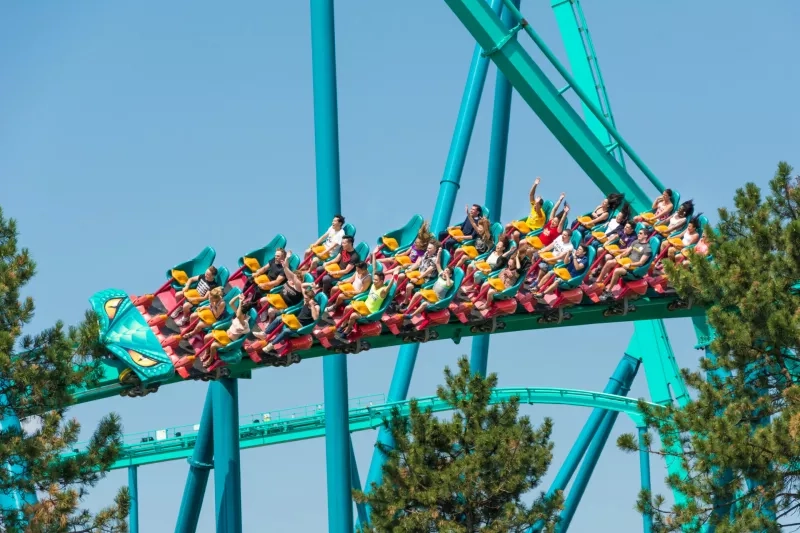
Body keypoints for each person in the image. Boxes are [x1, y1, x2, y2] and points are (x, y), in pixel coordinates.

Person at [255, 285, 320, 355]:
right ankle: (264, 334)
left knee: (286, 331)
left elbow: (315, 318)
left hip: (302, 326)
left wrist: (312, 305)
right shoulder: (306, 300)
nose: (305, 299)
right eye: (305, 298)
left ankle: (271, 345)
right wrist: (311, 284)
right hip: (295, 320)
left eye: (307, 299)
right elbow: (302, 286)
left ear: (311, 299)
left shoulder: (316, 307)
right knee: (279, 318)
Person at [338, 253, 391, 337]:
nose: (374, 281)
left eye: (376, 280)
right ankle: (343, 324)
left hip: (370, 312)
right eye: (374, 279)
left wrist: (395, 275)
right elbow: (374, 268)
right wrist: (373, 256)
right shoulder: (374, 285)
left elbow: (389, 287)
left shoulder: (383, 291)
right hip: (364, 305)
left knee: (353, 315)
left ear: (381, 281)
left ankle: (347, 330)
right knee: (347, 308)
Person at [200, 293, 254, 368]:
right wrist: (238, 297)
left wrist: (241, 302)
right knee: (206, 337)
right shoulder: (239, 316)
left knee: (213, 346)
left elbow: (238, 315)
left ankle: (210, 359)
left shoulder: (244, 323)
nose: (238, 311)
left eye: (240, 310)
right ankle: (207, 353)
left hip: (229, 341)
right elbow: (231, 303)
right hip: (224, 334)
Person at [597, 228, 653, 295]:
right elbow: (627, 252)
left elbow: (641, 263)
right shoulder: (636, 242)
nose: (638, 234)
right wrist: (620, 255)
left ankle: (608, 291)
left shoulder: (647, 249)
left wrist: (629, 265)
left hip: (633, 268)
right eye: (638, 233)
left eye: (640, 233)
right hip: (626, 261)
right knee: (609, 262)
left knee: (617, 270)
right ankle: (599, 281)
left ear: (645, 236)